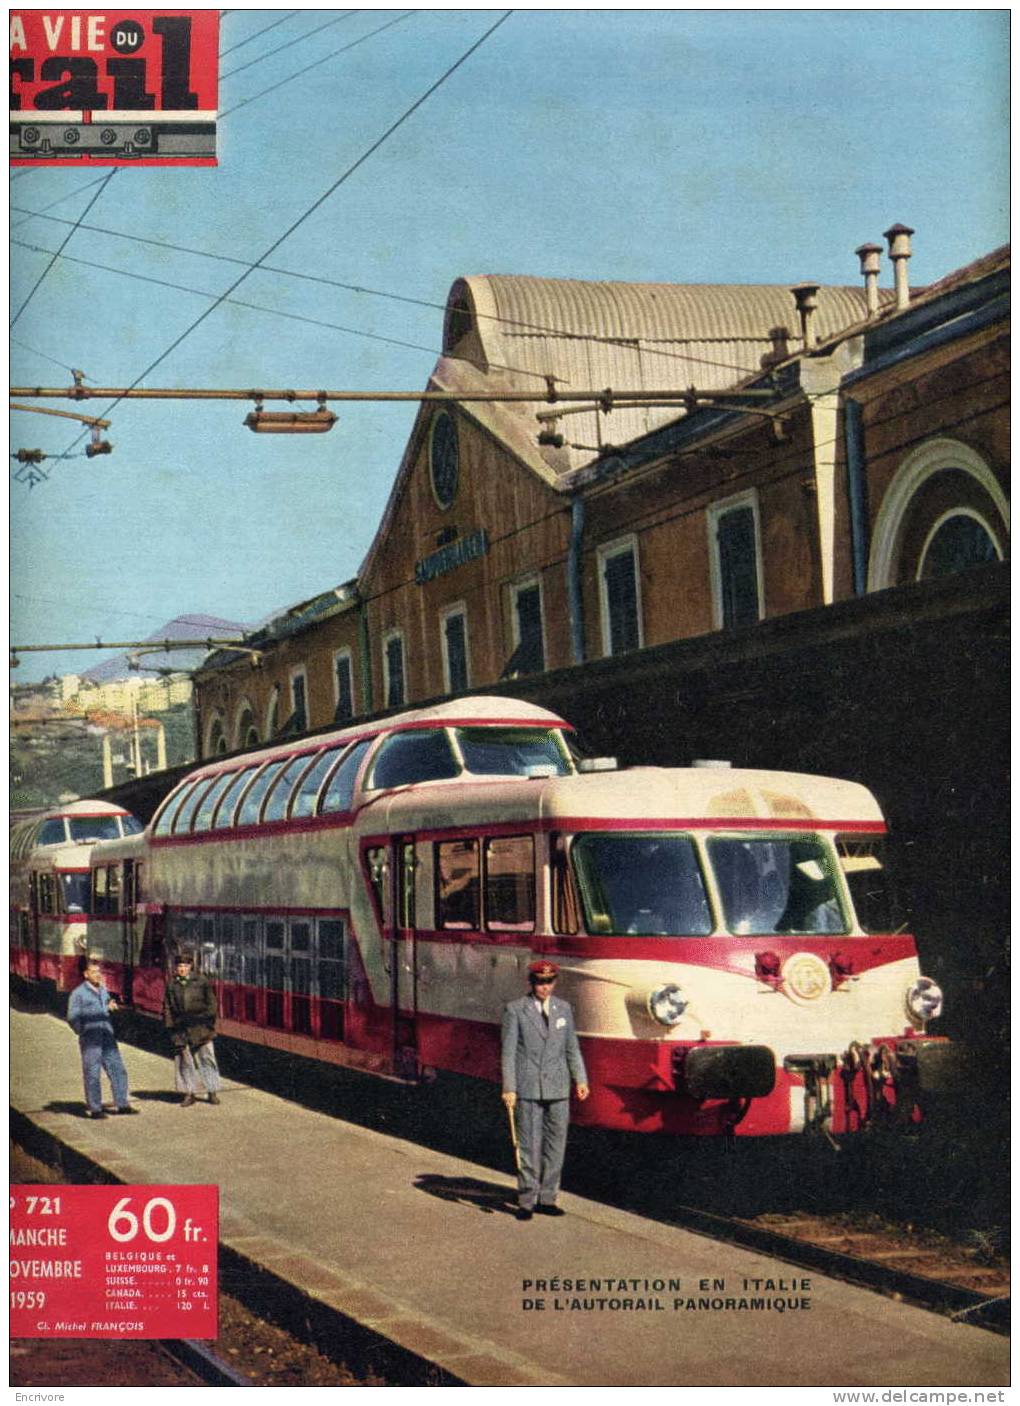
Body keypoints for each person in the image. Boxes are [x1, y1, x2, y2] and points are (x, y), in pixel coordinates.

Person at [501, 960, 589, 1220]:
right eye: (540, 982)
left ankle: (548, 1198)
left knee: (556, 1145)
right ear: (531, 983)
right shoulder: (515, 1010)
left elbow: (571, 1047)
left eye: (549, 982)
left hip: (559, 1087)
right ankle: (527, 1199)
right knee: (528, 1145)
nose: (545, 987)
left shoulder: (564, 1009)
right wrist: (510, 1087)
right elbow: (508, 1054)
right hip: (528, 1087)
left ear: (555, 982)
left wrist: (581, 1079)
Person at [66, 959, 138, 1119]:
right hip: (91, 1039)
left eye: (99, 972)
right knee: (92, 1072)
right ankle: (95, 1108)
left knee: (118, 1069)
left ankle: (122, 1104)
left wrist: (110, 1004)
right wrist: (83, 1031)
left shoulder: (103, 989)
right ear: (86, 975)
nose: (97, 975)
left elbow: (105, 1004)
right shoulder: (78, 994)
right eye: (93, 972)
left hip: (107, 1035)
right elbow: (72, 1017)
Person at [162, 950, 221, 1107]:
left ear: (190, 967)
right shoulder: (171, 984)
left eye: (185, 965)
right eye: (179, 965)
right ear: (175, 968)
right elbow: (167, 1007)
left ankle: (212, 1091)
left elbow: (212, 1004)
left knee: (207, 1060)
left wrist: (208, 1022)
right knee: (185, 1062)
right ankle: (190, 1093)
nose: (182, 968)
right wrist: (171, 1027)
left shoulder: (201, 981)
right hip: (181, 1029)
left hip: (201, 1027)